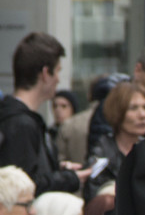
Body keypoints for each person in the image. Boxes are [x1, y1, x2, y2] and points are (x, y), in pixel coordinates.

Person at [0, 32, 90, 194]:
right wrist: (70, 179)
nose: (58, 79)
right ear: (45, 74)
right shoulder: (21, 124)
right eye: (57, 71)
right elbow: (25, 186)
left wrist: (59, 170)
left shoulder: (19, 119)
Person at [85, 81, 145, 202]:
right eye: (133, 108)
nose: (142, 115)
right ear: (117, 112)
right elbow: (93, 196)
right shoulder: (101, 151)